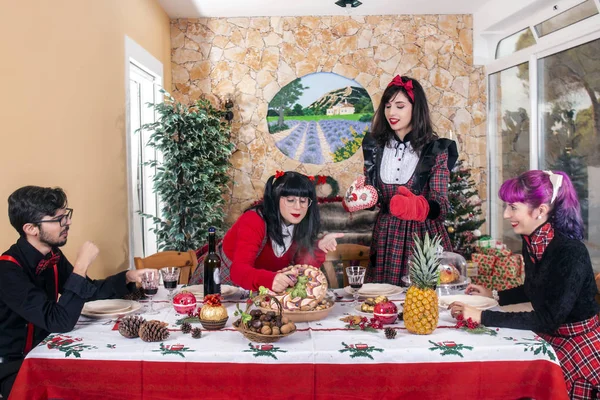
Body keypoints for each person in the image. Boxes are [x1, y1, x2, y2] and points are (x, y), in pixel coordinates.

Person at [449, 170, 600, 399]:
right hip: (552, 335)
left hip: (576, 346)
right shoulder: (533, 240)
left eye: (513, 207)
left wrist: (483, 316)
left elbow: (549, 318)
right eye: (507, 207)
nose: (507, 214)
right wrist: (495, 295)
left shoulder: (570, 252)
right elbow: (535, 288)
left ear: (541, 210)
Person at [0, 186, 150, 398]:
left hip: (48, 352)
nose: (67, 222)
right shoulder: (7, 271)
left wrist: (127, 277)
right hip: (15, 367)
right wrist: (81, 266)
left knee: (110, 381)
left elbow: (86, 292)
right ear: (31, 229)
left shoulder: (52, 255)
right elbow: (58, 321)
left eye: (66, 215)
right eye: (58, 218)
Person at [349, 75, 458, 285]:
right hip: (387, 237)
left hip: (422, 239)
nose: (391, 113)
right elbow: (375, 196)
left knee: (424, 304)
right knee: (384, 301)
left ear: (415, 108)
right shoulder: (375, 147)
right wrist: (361, 198)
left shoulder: (436, 149)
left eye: (400, 106)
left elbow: (442, 205)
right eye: (388, 106)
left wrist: (417, 207)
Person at [190, 171, 344, 292]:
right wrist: (270, 280)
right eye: (290, 200)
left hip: (255, 291)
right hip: (216, 288)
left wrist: (318, 247)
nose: (298, 207)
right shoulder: (254, 220)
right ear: (276, 199)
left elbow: (300, 269)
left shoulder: (299, 224)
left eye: (303, 201)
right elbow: (238, 272)